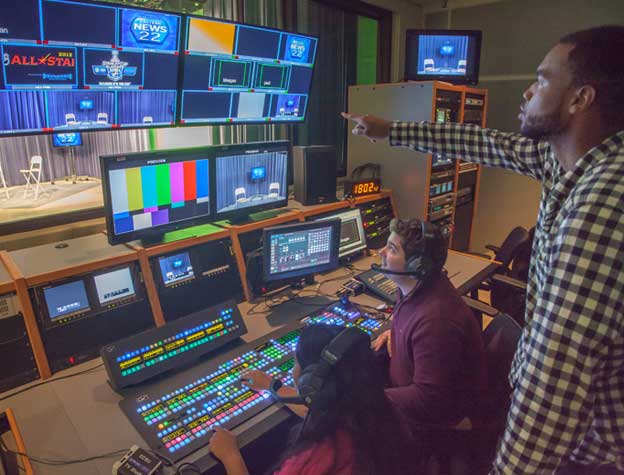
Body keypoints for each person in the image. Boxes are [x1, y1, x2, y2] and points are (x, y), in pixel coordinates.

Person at [343, 25, 624, 475]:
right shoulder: (565, 158)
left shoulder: (605, 202)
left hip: (583, 448)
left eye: (543, 79)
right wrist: (389, 130)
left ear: (580, 99)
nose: (529, 91)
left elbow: (556, 378)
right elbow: (485, 143)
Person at [208, 324, 420, 475]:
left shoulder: (312, 461)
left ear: (312, 382)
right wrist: (273, 387)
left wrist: (230, 456)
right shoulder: (382, 408)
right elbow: (319, 406)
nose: (294, 370)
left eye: (296, 363)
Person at [371, 218, 486, 441]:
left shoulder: (437, 320)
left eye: (392, 249)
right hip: (410, 391)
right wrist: (395, 334)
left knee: (353, 422)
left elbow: (428, 398)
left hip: (437, 422)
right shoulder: (413, 288)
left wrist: (371, 399)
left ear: (417, 266)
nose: (380, 252)